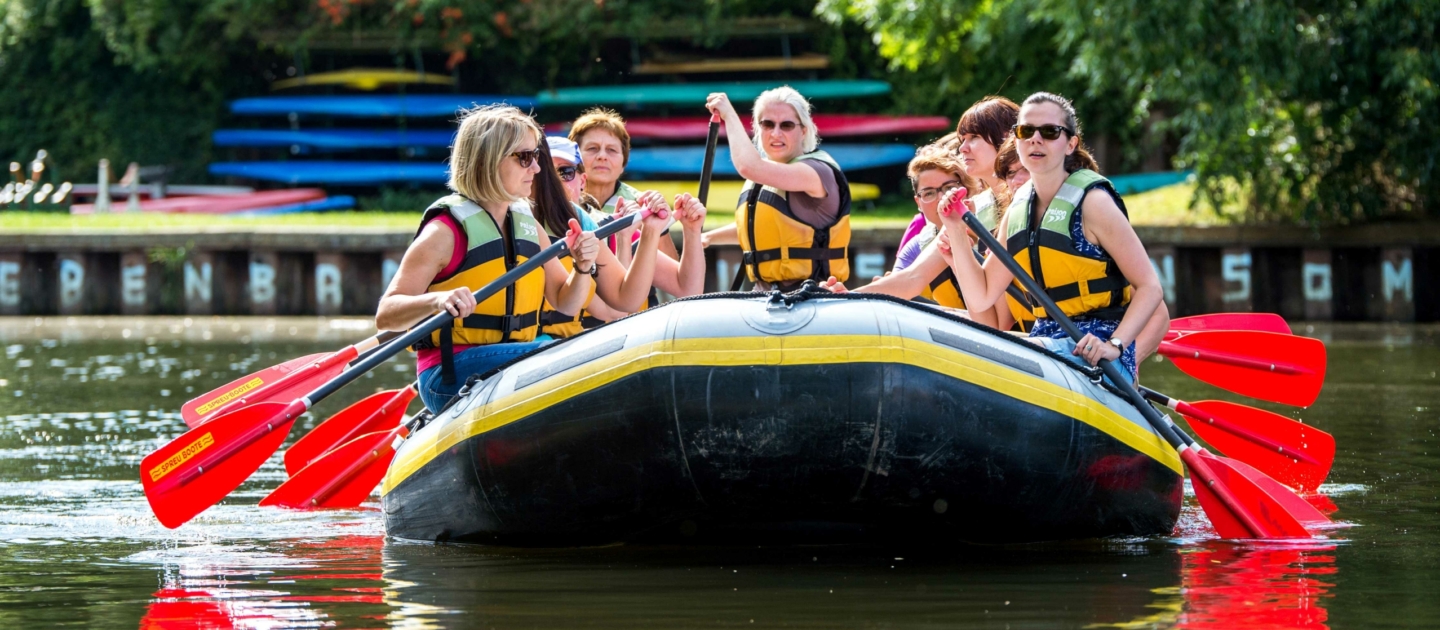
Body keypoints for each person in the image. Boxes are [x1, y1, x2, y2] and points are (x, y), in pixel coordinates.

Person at [376, 105, 671, 412]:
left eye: (536, 157)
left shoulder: (525, 221)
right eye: (525, 157)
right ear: (489, 160)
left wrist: (583, 268)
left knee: (561, 352)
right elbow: (386, 314)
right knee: (554, 353)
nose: (537, 169)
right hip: (450, 372)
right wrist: (438, 301)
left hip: (510, 359)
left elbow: (565, 302)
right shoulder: (445, 231)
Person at [938, 92, 1166, 384]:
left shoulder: (1093, 203)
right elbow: (981, 297)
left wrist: (1115, 345)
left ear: (1070, 143)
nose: (1036, 139)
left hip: (1096, 352)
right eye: (1025, 131)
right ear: (1016, 141)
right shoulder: (1019, 208)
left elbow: (1150, 287)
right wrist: (956, 230)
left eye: (1049, 132)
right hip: (1046, 346)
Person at [536, 136, 708, 334]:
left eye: (565, 172)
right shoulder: (527, 222)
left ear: (582, 180)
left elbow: (688, 290)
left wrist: (692, 230)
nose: (555, 183)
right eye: (549, 175)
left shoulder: (606, 225)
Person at [701, 86, 852, 291]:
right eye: (768, 124)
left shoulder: (815, 171)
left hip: (812, 294)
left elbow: (748, 166)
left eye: (787, 125)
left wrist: (729, 115)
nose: (776, 133)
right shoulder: (768, 174)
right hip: (765, 294)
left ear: (803, 131)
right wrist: (708, 237)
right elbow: (762, 227)